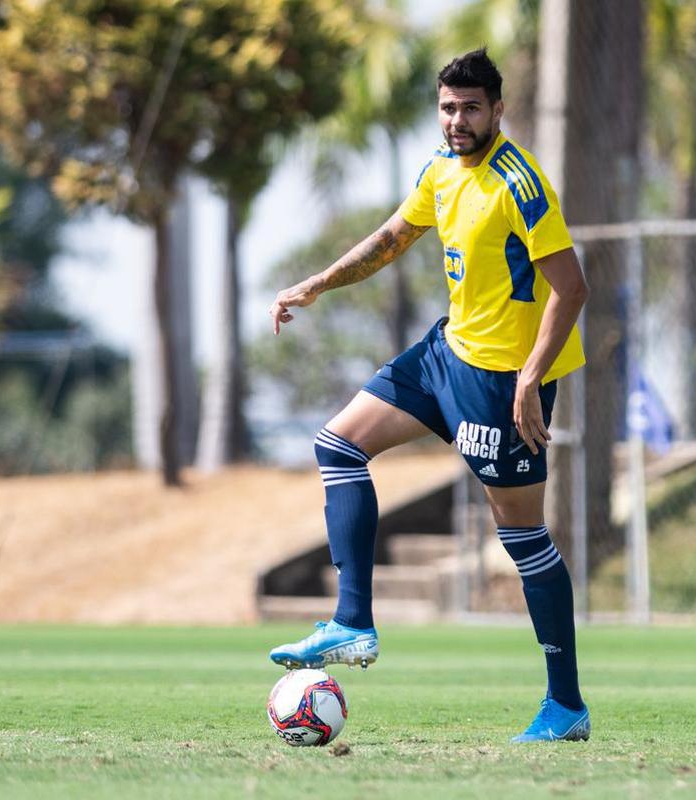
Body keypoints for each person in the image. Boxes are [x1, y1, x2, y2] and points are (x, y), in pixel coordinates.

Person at [267, 49, 590, 743]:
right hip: (446, 352)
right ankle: (352, 622)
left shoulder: (520, 183)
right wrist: (317, 284)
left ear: (497, 110)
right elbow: (392, 238)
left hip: (502, 380)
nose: (457, 120)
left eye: (471, 108)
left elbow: (571, 289)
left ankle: (565, 705)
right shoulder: (439, 170)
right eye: (448, 108)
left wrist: (530, 378)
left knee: (522, 537)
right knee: (337, 444)